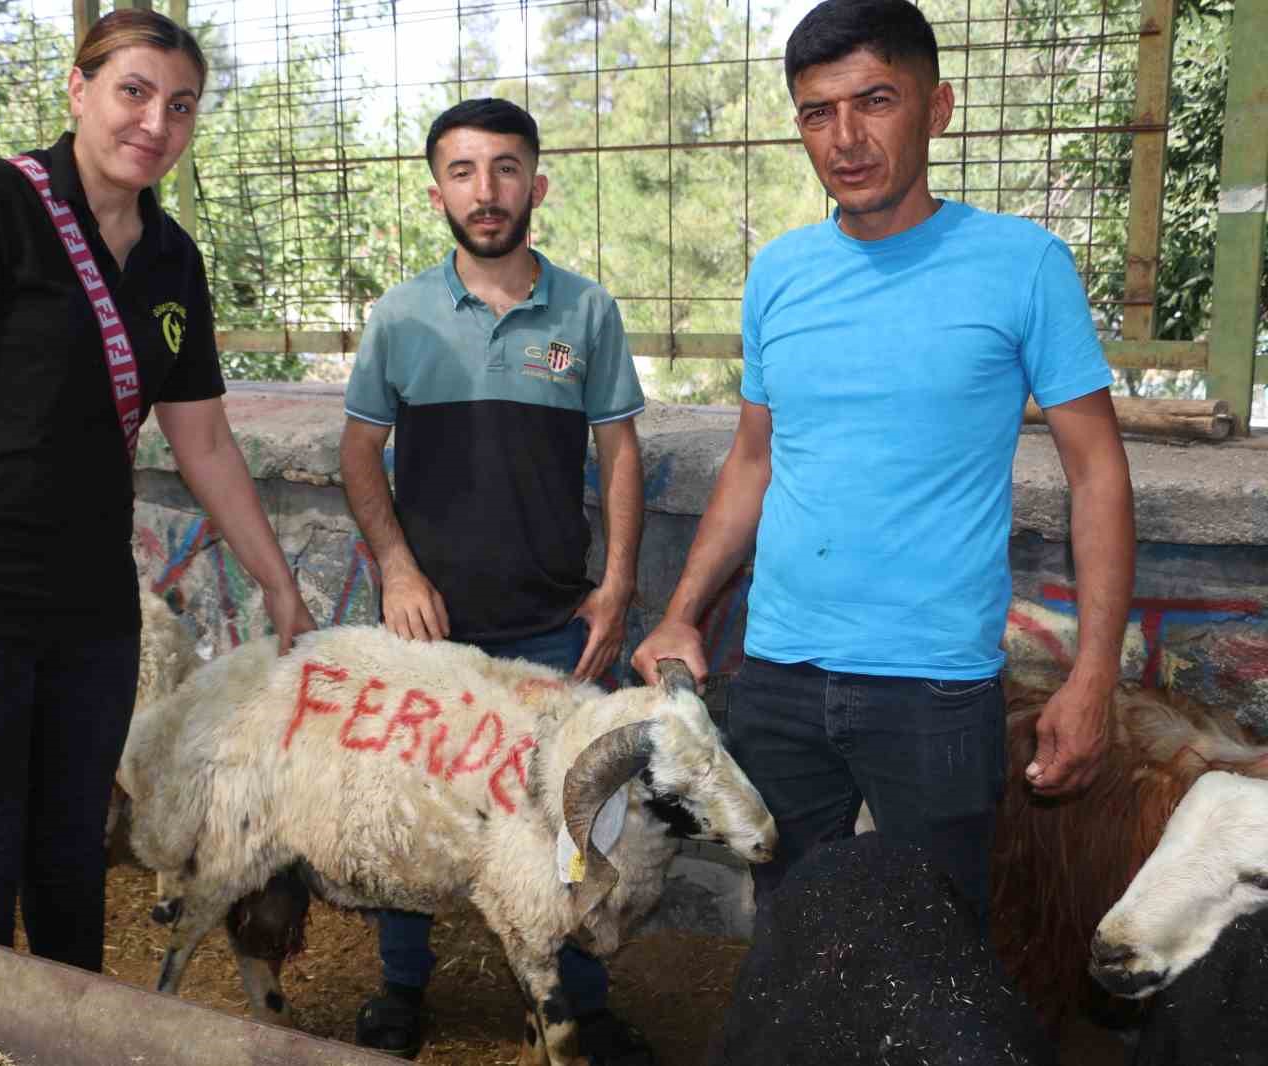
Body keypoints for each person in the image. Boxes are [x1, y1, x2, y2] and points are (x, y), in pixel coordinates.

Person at [631, 0, 1135, 925]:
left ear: (936, 108)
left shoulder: (1023, 265)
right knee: (791, 930)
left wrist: (1093, 672)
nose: (846, 138)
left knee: (937, 941)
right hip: (778, 675)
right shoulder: (780, 273)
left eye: (875, 101)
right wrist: (680, 613)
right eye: (817, 113)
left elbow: (1098, 473)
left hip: (936, 688)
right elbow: (753, 461)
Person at [0, 9, 315, 973]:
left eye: (180, 105)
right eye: (133, 92)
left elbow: (204, 440)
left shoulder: (172, 257)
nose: (155, 122)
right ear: (78, 89)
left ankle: (72, 1029)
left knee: (71, 850)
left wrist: (278, 583)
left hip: (91, 607)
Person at [340, 98, 653, 1063]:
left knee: (576, 815)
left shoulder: (587, 312)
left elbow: (620, 452)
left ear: (536, 185)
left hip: (555, 623)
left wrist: (616, 587)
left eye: (506, 168)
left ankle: (579, 1003)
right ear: (437, 191)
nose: (487, 191)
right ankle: (402, 987)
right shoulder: (400, 316)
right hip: (428, 632)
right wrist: (397, 568)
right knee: (407, 808)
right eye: (464, 171)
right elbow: (358, 452)